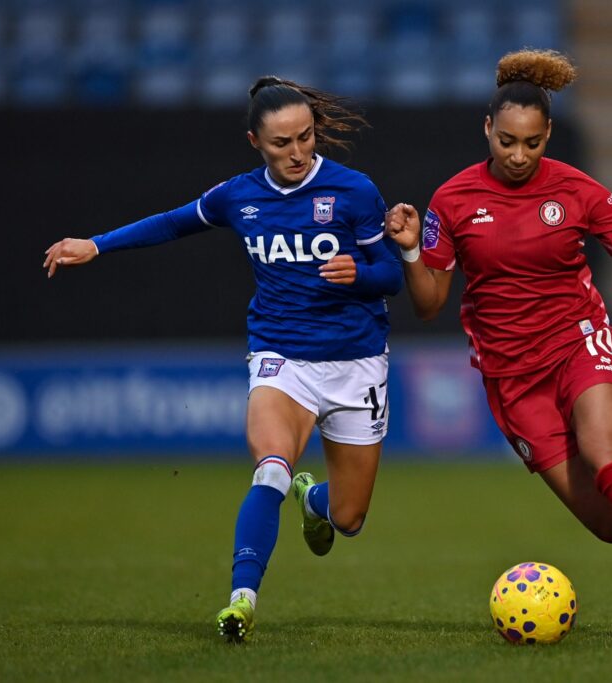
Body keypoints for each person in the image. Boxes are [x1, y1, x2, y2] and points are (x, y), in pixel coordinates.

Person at [43, 76, 402, 643]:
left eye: (305, 137)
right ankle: (242, 601)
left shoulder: (354, 192)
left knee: (349, 518)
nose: (297, 152)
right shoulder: (239, 197)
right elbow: (172, 222)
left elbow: (392, 277)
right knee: (269, 467)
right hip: (281, 357)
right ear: (254, 142)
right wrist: (97, 244)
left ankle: (313, 498)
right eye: (281, 142)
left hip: (357, 364)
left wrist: (361, 275)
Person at [385, 49, 612, 640]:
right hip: (512, 376)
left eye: (532, 143)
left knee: (607, 456)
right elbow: (429, 303)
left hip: (578, 341)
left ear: (548, 134)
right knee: (611, 525)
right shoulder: (452, 201)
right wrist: (409, 249)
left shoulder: (579, 191)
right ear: (487, 129)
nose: (517, 155)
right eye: (507, 140)